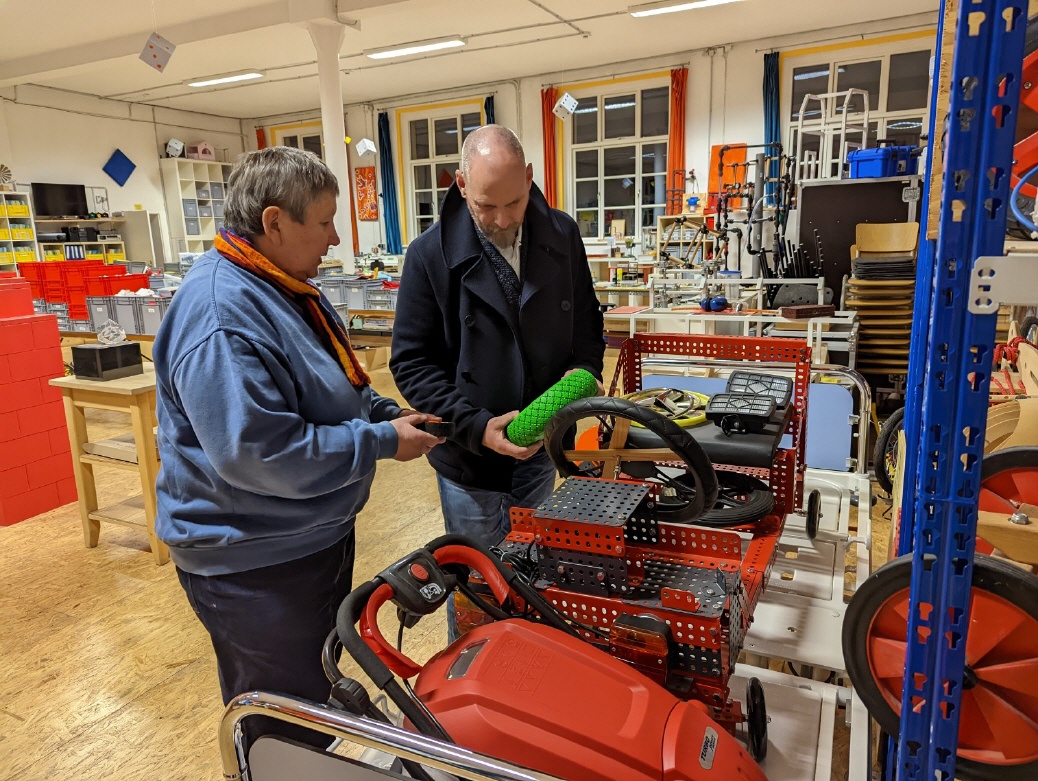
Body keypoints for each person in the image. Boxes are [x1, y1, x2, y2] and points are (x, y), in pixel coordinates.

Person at [153, 146, 443, 751]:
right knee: (283, 724)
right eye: (324, 221)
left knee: (314, 696)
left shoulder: (283, 285)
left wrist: (385, 413)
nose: (335, 238)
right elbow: (259, 453)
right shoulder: (220, 314)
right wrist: (384, 441)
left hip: (307, 539)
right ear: (275, 222)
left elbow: (332, 389)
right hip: (254, 564)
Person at [390, 125, 605, 618]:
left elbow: (588, 321)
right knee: (476, 592)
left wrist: (583, 375)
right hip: (471, 459)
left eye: (514, 201)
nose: (503, 218)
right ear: (462, 184)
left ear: (529, 178)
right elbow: (412, 364)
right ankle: (471, 689)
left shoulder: (563, 234)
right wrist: (475, 426)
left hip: (542, 446)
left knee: (530, 575)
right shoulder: (429, 256)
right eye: (487, 206)